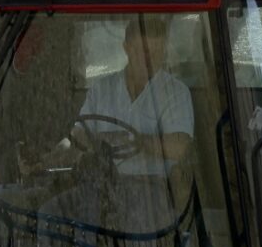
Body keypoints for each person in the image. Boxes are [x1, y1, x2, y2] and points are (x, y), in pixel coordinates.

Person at [78, 16, 194, 178]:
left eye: (158, 52)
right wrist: (102, 141)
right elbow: (78, 135)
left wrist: (138, 142)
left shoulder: (176, 92)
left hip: (155, 187)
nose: (151, 60)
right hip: (101, 182)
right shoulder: (101, 89)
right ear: (127, 48)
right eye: (145, 52)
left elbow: (179, 148)